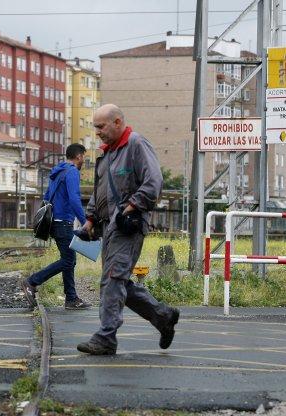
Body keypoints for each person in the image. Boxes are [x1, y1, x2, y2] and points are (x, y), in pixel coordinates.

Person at [77, 104, 179, 355]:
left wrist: (132, 206)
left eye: (101, 127)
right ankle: (162, 316)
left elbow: (154, 182)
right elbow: (100, 192)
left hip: (128, 226)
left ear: (118, 122)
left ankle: (106, 337)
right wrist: (90, 218)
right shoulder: (106, 154)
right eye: (95, 127)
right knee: (118, 281)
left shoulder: (136, 144)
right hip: (108, 227)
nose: (97, 132)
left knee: (112, 280)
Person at [21, 143, 92, 310]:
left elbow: (47, 197)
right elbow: (74, 199)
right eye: (84, 158)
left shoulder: (58, 171)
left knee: (69, 260)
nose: (84, 161)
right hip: (63, 222)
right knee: (68, 260)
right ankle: (32, 281)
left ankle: (71, 298)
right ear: (79, 156)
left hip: (54, 222)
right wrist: (84, 221)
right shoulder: (72, 172)